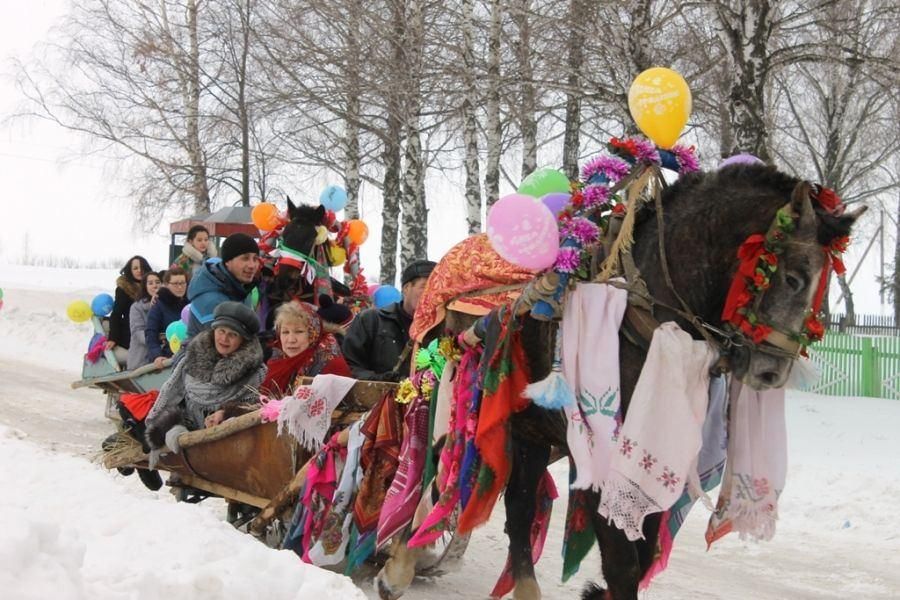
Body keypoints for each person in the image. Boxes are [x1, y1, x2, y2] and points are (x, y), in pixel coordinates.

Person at [144, 302, 266, 459]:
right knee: (173, 436)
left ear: (244, 340)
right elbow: (172, 392)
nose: (224, 339)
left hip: (230, 438)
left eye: (233, 335)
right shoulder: (192, 357)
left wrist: (225, 413)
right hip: (188, 424)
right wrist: (160, 427)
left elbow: (254, 406)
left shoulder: (255, 372)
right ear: (214, 330)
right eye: (221, 331)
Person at [342, 259, 436, 382]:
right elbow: (349, 366)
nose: (431, 294)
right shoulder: (371, 320)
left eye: (436, 289)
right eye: (425, 287)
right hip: (378, 398)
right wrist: (381, 380)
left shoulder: (440, 328)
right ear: (406, 288)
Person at [260, 301, 351, 396]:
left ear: (312, 334)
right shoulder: (277, 360)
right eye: (285, 332)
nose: (291, 340)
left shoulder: (331, 365)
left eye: (299, 332)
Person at [186, 232, 260, 339]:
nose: (252, 265)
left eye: (255, 259)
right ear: (227, 262)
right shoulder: (211, 300)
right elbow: (224, 347)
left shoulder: (240, 288)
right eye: (245, 258)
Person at [107, 255, 153, 363]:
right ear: (130, 270)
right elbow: (116, 314)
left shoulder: (153, 286)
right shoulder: (124, 289)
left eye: (142, 268)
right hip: (131, 331)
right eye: (135, 268)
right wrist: (113, 338)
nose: (139, 271)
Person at [146, 267, 189, 368]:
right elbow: (150, 332)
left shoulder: (191, 303)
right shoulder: (159, 304)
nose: (180, 287)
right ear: (166, 285)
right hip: (168, 357)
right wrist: (157, 355)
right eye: (175, 284)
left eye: (182, 283)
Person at [126, 271, 162, 370]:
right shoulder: (137, 307)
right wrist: (158, 340)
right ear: (145, 287)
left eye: (158, 282)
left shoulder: (168, 304)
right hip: (142, 359)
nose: (155, 286)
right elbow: (138, 333)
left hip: (164, 357)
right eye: (150, 283)